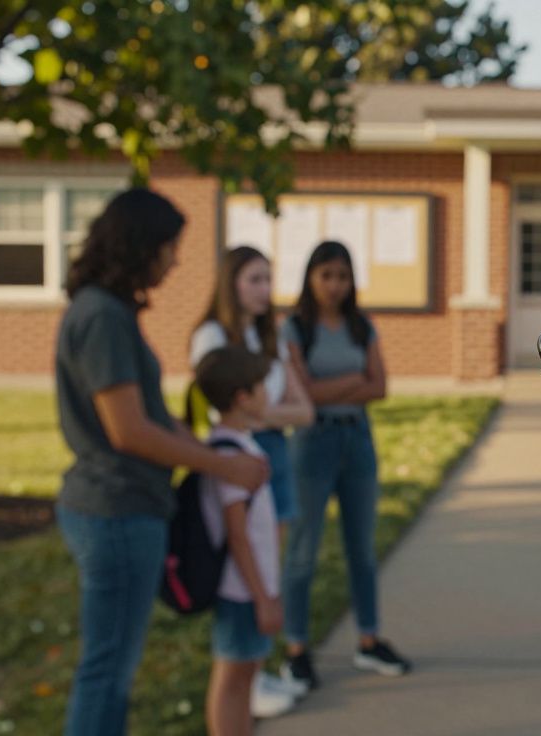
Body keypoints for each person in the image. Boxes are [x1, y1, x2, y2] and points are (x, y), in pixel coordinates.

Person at [54, 189, 268, 736]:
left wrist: (203, 440)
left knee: (112, 668)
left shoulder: (110, 311)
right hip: (117, 509)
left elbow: (153, 414)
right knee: (108, 671)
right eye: (171, 248)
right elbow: (129, 430)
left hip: (125, 507)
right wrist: (223, 466)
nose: (174, 261)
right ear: (141, 246)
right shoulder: (102, 317)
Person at [279, 241, 410, 691]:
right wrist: (352, 381)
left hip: (357, 440)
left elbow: (380, 387)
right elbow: (302, 395)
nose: (335, 285)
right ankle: (296, 649)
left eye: (342, 276)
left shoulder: (361, 326)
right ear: (310, 278)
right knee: (302, 550)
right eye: (326, 275)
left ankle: (368, 639)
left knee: (362, 548)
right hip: (311, 445)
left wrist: (331, 388)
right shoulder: (294, 328)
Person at [189, 245, 315, 708]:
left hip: (275, 457)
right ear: (231, 282)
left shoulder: (272, 338)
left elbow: (305, 410)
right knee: (244, 567)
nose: (265, 289)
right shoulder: (210, 337)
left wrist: (262, 413)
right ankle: (243, 676)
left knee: (270, 562)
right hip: (236, 462)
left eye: (268, 279)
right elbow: (213, 405)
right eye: (254, 279)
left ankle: (257, 672)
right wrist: (267, 414)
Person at [196, 346, 294, 732]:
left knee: (246, 675)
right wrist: (262, 597)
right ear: (243, 397)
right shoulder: (229, 455)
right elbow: (237, 535)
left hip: (252, 589)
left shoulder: (242, 445)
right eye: (262, 387)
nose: (269, 394)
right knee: (233, 679)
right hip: (239, 591)